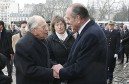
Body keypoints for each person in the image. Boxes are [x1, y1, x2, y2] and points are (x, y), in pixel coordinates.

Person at [52, 3, 108, 84]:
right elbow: (75, 59)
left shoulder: (91, 35)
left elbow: (81, 68)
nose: (67, 22)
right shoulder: (87, 31)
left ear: (78, 18)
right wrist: (63, 67)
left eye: (68, 19)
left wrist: (61, 72)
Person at [14, 15, 54, 84]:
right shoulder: (22, 45)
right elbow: (28, 70)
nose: (47, 29)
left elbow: (43, 60)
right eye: (44, 27)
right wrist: (52, 72)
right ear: (34, 30)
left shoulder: (42, 39)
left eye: (47, 26)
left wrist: (54, 65)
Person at [46, 15, 75, 84]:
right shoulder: (49, 40)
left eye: (61, 24)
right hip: (57, 74)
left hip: (72, 71)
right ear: (53, 27)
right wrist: (58, 67)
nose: (59, 27)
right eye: (57, 25)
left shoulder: (72, 37)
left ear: (65, 25)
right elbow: (48, 57)